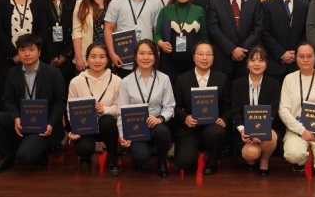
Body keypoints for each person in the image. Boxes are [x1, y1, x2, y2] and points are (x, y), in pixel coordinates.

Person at [0, 34, 67, 174]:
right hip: (22, 121)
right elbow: (8, 100)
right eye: (22, 50)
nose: (27, 54)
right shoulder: (13, 73)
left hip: (44, 126)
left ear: (39, 52)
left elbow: (60, 103)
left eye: (31, 49)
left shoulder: (53, 73)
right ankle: (7, 157)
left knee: (25, 156)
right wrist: (16, 118)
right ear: (18, 52)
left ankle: (39, 150)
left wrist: (50, 124)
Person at [278, 42, 315, 179]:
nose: (305, 60)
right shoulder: (289, 79)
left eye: (309, 56)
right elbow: (283, 111)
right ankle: (301, 161)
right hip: (297, 130)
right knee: (293, 154)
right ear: (296, 58)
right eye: (301, 56)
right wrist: (301, 130)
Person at [117, 39, 175, 177]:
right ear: (135, 56)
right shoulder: (126, 81)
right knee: (140, 157)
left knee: (162, 132)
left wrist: (160, 118)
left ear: (156, 57)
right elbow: (121, 112)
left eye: (150, 53)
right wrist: (122, 135)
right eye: (142, 53)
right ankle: (143, 153)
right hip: (135, 128)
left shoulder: (164, 79)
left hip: (155, 124)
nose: (146, 57)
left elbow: (170, 107)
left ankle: (161, 161)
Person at [0, 0, 52, 98]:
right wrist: (14, 54)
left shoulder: (38, 3)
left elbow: (42, 30)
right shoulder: (0, 3)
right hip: (8, 59)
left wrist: (32, 52)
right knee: (8, 96)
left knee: (34, 94)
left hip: (34, 58)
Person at [173, 42, 231, 175]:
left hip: (213, 125)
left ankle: (212, 161)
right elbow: (174, 107)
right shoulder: (182, 79)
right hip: (190, 127)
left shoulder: (222, 78)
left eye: (209, 54)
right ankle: (192, 153)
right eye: (200, 54)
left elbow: (228, 106)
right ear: (193, 57)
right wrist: (185, 118)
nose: (205, 58)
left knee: (217, 133)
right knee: (184, 163)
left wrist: (224, 119)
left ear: (213, 57)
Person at [67, 43, 121, 175]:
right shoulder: (76, 82)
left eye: (102, 57)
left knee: (107, 121)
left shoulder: (117, 81)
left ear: (107, 59)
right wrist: (73, 128)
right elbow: (70, 109)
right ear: (86, 59)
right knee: (84, 148)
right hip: (84, 127)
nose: (97, 61)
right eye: (93, 56)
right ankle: (85, 158)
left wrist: (104, 110)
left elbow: (119, 108)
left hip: (107, 126)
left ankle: (112, 157)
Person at [104, 0, 162, 77]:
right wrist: (111, 54)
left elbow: (157, 32)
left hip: (147, 59)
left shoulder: (155, 4)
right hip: (123, 59)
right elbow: (108, 29)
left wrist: (156, 54)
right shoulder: (116, 3)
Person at [41, 0, 77, 149]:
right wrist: (51, 55)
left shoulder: (73, 2)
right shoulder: (38, 2)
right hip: (47, 59)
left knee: (68, 97)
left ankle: (73, 132)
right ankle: (53, 136)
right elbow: (40, 32)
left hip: (68, 58)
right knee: (52, 97)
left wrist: (65, 55)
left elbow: (77, 32)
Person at [207, 0, 264, 79]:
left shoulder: (254, 1)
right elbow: (214, 29)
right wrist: (232, 49)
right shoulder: (214, 1)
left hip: (247, 57)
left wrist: (242, 50)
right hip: (223, 57)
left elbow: (257, 29)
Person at [231, 46, 281, 176]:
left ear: (266, 64)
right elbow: (235, 112)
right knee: (251, 153)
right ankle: (252, 159)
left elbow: (274, 111)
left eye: (261, 60)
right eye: (253, 60)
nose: (257, 64)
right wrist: (243, 130)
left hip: (266, 129)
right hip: (244, 132)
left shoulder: (274, 84)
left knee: (271, 136)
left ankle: (264, 160)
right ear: (247, 63)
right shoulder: (237, 84)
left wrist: (261, 130)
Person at [155, 0, 210, 84]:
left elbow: (205, 37)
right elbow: (157, 34)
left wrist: (201, 55)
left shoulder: (199, 11)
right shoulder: (165, 10)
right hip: (169, 62)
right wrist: (161, 44)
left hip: (193, 63)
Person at [261, 0, 309, 83]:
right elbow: (264, 33)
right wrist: (281, 53)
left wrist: (297, 53)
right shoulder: (267, 6)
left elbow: (307, 32)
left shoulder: (305, 6)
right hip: (275, 64)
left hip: (298, 63)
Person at [72, 0, 113, 73]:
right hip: (88, 55)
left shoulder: (113, 3)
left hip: (109, 53)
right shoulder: (80, 4)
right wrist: (79, 57)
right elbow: (76, 32)